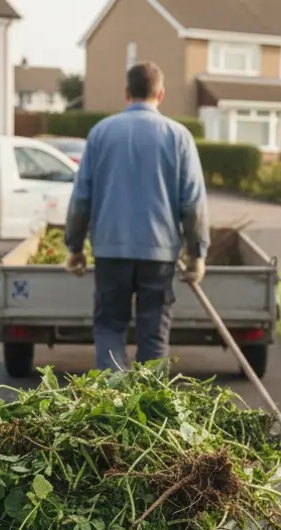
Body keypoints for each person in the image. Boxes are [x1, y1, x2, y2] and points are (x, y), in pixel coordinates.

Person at [63, 62, 209, 372]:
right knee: (154, 335)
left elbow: (82, 197)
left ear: (127, 92)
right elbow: (193, 202)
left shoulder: (100, 133)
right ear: (162, 94)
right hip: (158, 253)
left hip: (110, 250)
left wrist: (74, 247)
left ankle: (114, 403)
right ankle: (148, 407)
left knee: (109, 328)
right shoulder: (179, 137)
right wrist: (197, 253)